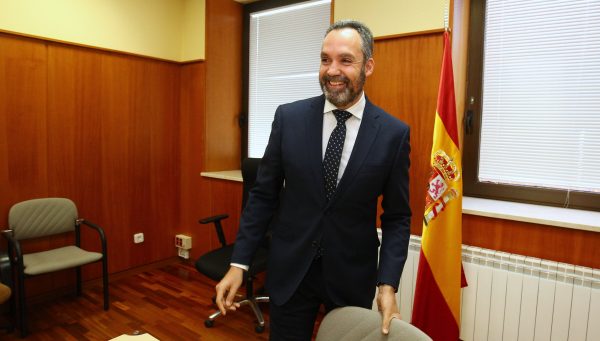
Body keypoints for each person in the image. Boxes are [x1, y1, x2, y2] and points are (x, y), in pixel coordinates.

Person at [215, 20, 411, 340]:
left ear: (369, 66)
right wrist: (240, 263)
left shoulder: (393, 134)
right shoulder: (288, 119)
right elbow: (263, 196)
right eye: (325, 59)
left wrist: (387, 284)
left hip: (351, 274)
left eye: (345, 60)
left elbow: (398, 217)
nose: (332, 70)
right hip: (291, 270)